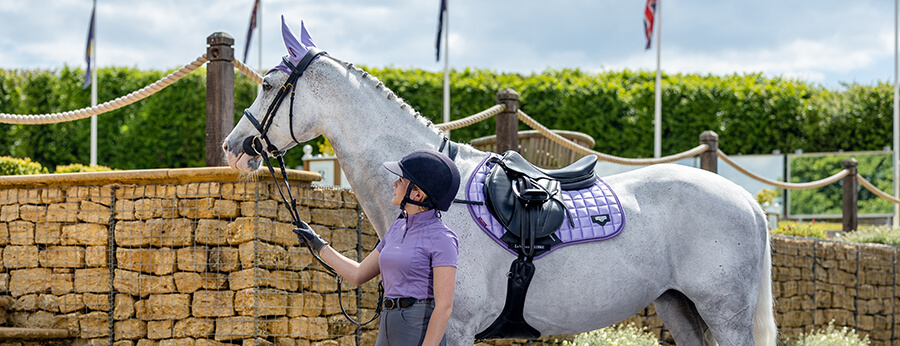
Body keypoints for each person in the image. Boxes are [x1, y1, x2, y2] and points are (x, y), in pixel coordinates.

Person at [293, 149, 461, 346]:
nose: (394, 184)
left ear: (417, 193)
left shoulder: (443, 238)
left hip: (417, 329)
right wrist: (318, 243)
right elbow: (358, 273)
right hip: (388, 324)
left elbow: (444, 307)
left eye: (401, 180)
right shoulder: (397, 227)